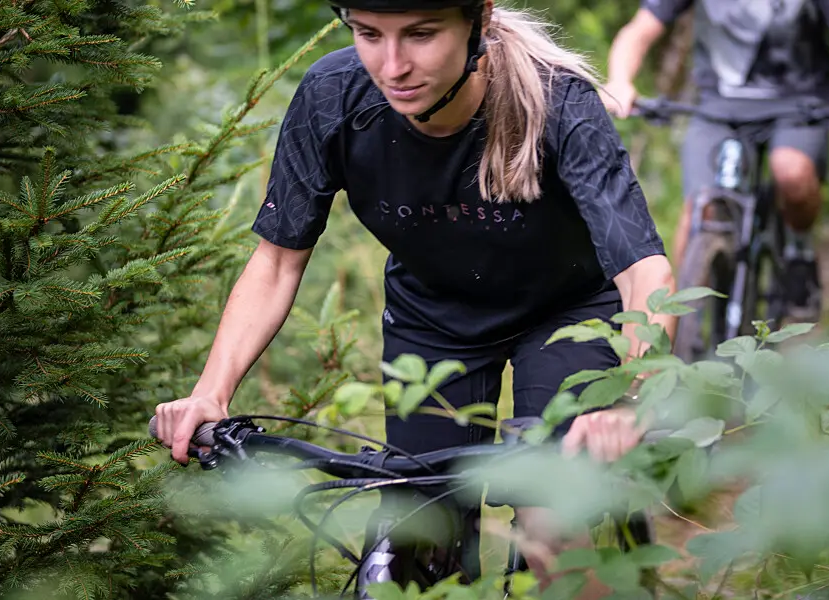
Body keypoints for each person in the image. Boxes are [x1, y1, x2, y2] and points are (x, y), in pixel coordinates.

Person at [152, 0, 675, 597]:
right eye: (369, 34)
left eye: (421, 35)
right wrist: (208, 394)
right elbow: (275, 260)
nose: (392, 65)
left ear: (477, 22)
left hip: (568, 313)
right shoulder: (334, 95)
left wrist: (629, 400)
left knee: (554, 523)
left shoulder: (557, 100)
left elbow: (642, 269)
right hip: (434, 319)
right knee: (412, 537)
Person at [602, 0, 829, 321]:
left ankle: (798, 249)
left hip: (799, 107)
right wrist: (620, 79)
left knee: (791, 172)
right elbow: (639, 30)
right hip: (717, 110)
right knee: (700, 210)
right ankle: (684, 328)